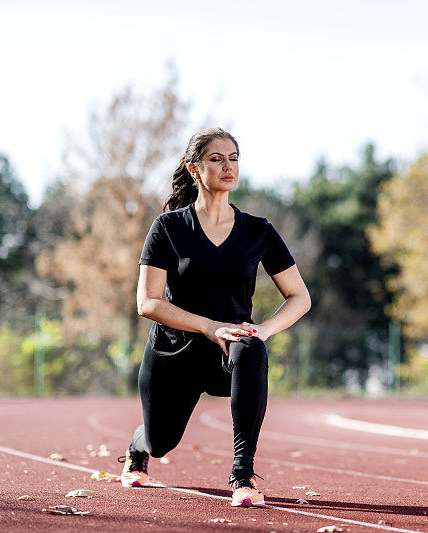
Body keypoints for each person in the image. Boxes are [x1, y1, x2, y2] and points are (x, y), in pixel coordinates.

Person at [117, 127, 312, 507]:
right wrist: (208, 326)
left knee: (251, 348)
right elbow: (148, 303)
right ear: (194, 168)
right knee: (161, 441)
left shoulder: (258, 230)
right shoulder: (169, 228)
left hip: (229, 350)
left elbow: (299, 297)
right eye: (216, 159)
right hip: (175, 351)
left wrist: (262, 330)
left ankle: (242, 477)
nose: (228, 167)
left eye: (233, 158)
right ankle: (137, 449)